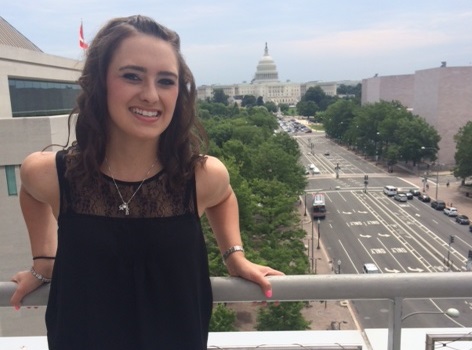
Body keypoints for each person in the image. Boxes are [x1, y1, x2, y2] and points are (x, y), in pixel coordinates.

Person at [10, 15, 283, 350]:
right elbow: (30, 193)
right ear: (99, 82)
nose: (151, 95)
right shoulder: (52, 174)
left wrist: (234, 256)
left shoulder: (201, 176)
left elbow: (224, 196)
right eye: (132, 76)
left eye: (166, 81)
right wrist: (44, 261)